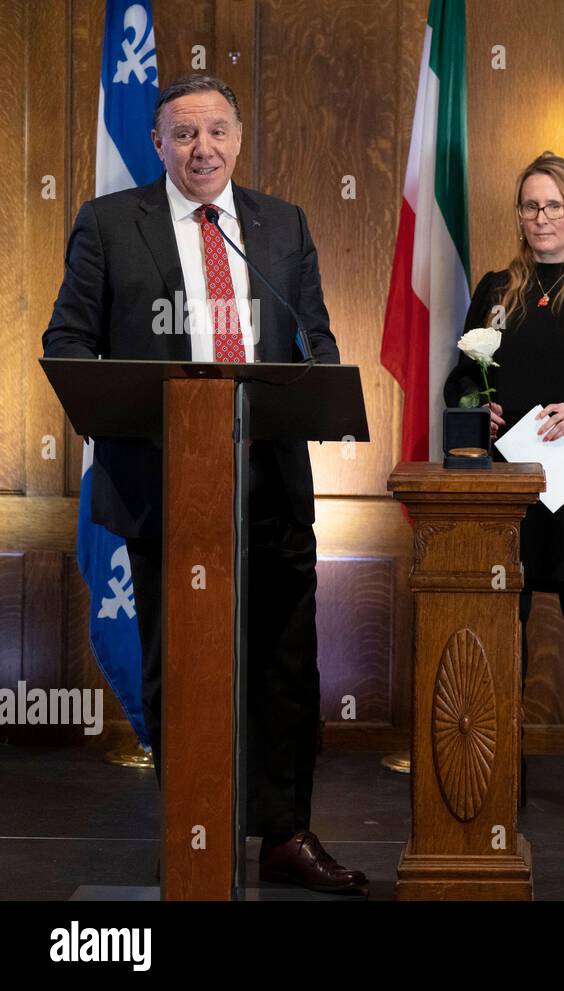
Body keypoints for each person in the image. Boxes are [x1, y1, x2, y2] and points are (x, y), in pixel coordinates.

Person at [42, 74, 365, 893]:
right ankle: (194, 829)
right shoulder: (112, 225)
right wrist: (123, 422)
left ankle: (286, 834)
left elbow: (314, 344)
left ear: (239, 139)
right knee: (178, 670)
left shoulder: (282, 224)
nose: (202, 148)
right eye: (184, 134)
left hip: (271, 486)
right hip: (166, 492)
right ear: (157, 145)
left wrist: (320, 384)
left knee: (288, 668)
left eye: (217, 131)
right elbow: (69, 343)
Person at [443, 152, 564, 826]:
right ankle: (508, 775)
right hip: (508, 487)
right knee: (510, 627)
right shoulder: (496, 289)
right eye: (530, 205)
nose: (541, 217)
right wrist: (481, 408)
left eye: (553, 204)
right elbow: (459, 384)